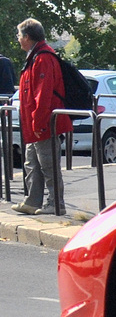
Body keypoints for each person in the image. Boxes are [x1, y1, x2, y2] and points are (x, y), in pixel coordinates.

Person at [13, 19, 71, 215]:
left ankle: (56, 204)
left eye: (19, 36)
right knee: (32, 164)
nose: (18, 39)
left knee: (48, 165)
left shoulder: (43, 58)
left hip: (43, 124)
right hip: (33, 125)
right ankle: (32, 201)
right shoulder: (35, 56)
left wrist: (38, 122)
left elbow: (43, 94)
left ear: (27, 37)